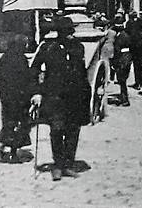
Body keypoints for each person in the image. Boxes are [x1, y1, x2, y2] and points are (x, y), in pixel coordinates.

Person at [30, 16, 92, 181]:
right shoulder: (48, 48)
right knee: (56, 130)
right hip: (54, 96)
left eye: (71, 31)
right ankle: (57, 165)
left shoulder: (78, 48)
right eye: (67, 32)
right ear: (60, 32)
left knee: (73, 130)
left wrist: (86, 96)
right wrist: (37, 92)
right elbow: (34, 69)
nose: (70, 35)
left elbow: (81, 72)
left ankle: (68, 165)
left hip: (75, 96)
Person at [0, 34, 31, 163]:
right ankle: (14, 151)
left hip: (6, 97)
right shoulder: (22, 59)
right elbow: (27, 78)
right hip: (19, 98)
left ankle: (5, 145)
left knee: (9, 122)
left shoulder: (5, 57)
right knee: (20, 124)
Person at [112, 16, 132, 106]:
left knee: (122, 80)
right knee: (123, 79)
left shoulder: (120, 37)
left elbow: (117, 50)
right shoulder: (126, 35)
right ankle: (123, 97)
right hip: (127, 57)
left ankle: (125, 99)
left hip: (122, 58)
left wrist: (114, 62)